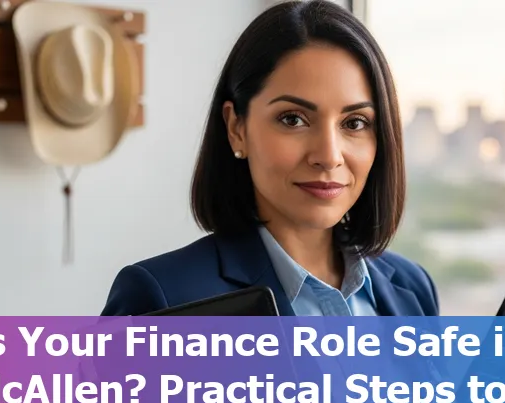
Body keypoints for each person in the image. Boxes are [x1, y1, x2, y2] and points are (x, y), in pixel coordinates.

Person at [100, 0, 438, 317]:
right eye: (293, 119)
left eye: (354, 123)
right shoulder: (162, 296)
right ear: (237, 128)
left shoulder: (412, 288)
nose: (329, 156)